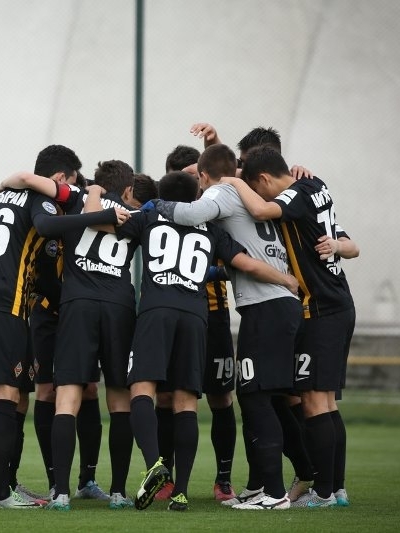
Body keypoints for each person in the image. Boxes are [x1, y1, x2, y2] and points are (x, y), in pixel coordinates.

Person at [0, 145, 127, 509]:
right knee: (7, 396)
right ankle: (1, 493)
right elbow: (45, 225)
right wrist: (94, 217)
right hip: (6, 302)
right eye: (69, 186)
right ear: (59, 179)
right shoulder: (39, 198)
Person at [110, 170, 298, 511]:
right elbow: (246, 264)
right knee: (186, 402)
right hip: (196, 317)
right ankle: (181, 492)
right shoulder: (210, 227)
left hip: (156, 310)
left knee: (142, 389)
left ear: (164, 196)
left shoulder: (150, 217)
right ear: (195, 199)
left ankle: (155, 466)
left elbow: (111, 226)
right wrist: (285, 279)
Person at [220, 145, 359, 508]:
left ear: (264, 178)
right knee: (325, 402)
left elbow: (261, 209)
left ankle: (324, 492)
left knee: (314, 401)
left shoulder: (294, 194)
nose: (256, 193)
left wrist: (232, 181)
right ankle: (335, 490)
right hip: (337, 303)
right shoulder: (315, 185)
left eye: (254, 184)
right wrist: (338, 246)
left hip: (321, 309)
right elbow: (353, 246)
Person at [1, 160, 140, 511]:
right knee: (119, 399)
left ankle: (61, 492)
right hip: (119, 306)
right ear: (127, 189)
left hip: (77, 306)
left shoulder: (76, 198)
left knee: (66, 398)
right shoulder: (135, 214)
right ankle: (119, 492)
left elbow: (36, 182)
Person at [155, 143, 239, 503]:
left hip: (213, 314)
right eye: (186, 176)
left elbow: (238, 259)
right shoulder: (162, 213)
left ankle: (223, 479)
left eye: (197, 175)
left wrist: (213, 272)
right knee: (166, 397)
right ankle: (166, 477)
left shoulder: (217, 210)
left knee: (220, 396)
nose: (195, 183)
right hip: (172, 313)